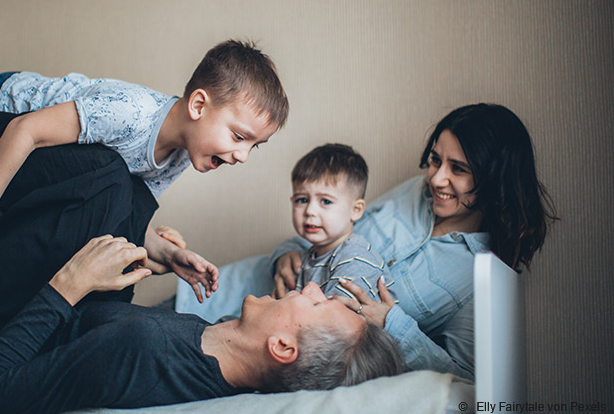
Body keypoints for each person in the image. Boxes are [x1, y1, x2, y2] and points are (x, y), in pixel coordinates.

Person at [0, 22, 289, 365]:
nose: (242, 156)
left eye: (254, 146)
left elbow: (124, 214)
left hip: (24, 153)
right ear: (197, 105)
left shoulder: (175, 156)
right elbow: (24, 132)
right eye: (238, 136)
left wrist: (169, 255)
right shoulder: (131, 114)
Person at [177, 103, 557, 381]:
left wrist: (395, 325)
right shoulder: (413, 193)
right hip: (234, 288)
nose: (437, 179)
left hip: (272, 347)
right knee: (143, 322)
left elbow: (465, 379)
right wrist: (285, 254)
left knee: (160, 357)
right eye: (435, 160)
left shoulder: (484, 274)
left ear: (495, 180)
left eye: (458, 169)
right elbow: (333, 225)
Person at [0, 235, 405, 414]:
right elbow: (84, 338)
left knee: (105, 178)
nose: (312, 288)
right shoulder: (213, 345)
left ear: (284, 347)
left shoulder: (144, 351)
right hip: (3, 308)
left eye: (319, 304)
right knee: (118, 201)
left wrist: (68, 286)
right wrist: (150, 263)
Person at [288, 143, 390, 300]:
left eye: (326, 202)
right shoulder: (309, 257)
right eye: (302, 200)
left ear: (355, 210)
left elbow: (335, 320)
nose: (310, 211)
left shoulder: (355, 258)